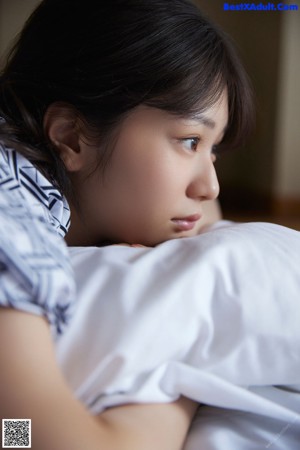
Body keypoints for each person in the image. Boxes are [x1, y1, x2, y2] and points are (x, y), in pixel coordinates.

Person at [0, 0, 254, 448]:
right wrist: (187, 375)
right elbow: (19, 437)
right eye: (190, 140)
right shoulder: (11, 221)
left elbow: (207, 215)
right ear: (71, 136)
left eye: (212, 150)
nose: (210, 186)